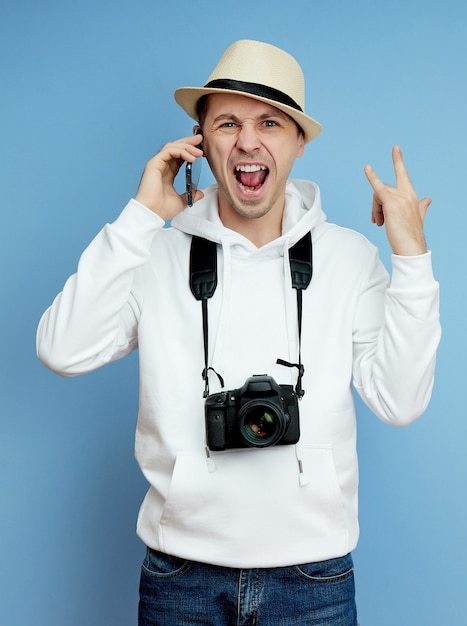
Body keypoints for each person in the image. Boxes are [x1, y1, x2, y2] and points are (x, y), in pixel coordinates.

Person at [36, 39, 441, 625]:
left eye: (270, 123)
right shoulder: (153, 253)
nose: (248, 141)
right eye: (227, 122)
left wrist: (412, 256)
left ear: (299, 142)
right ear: (200, 140)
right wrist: (141, 218)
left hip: (315, 576)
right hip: (182, 575)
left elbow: (401, 403)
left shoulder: (350, 259)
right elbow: (60, 349)